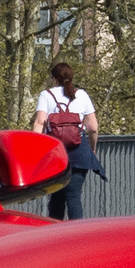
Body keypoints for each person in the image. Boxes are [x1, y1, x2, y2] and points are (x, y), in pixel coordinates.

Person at [32, 60, 102, 221]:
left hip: (55, 152)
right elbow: (93, 128)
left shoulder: (46, 95)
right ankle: (77, 239)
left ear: (54, 79)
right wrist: (92, 149)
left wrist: (35, 150)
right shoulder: (82, 95)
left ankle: (53, 237)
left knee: (56, 198)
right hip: (80, 152)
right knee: (74, 196)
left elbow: (39, 123)